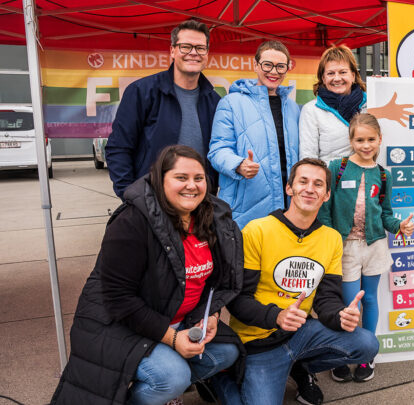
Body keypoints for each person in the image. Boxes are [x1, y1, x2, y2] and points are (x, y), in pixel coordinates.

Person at [51, 145, 244, 405]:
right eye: (181, 178)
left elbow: (215, 281)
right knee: (172, 377)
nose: (192, 186)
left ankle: (155, 394)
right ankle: (151, 393)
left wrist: (210, 313)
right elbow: (119, 300)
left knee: (227, 352)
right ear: (159, 179)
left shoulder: (212, 217)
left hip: (179, 319)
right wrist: (173, 339)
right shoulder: (132, 221)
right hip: (120, 326)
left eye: (199, 178)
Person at [211, 158, 379, 405]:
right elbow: (237, 301)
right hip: (258, 342)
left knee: (366, 344)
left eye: (318, 184)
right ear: (289, 188)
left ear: (326, 195)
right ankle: (221, 377)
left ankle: (299, 368)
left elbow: (326, 298)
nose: (310, 188)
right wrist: (277, 316)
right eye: (303, 181)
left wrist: (340, 315)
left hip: (301, 333)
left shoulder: (331, 238)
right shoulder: (257, 231)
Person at [317, 113, 414, 383]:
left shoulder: (383, 174)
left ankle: (366, 354)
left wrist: (398, 227)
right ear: (351, 140)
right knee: (349, 305)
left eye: (371, 139)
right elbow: (325, 209)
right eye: (360, 139)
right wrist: (331, 240)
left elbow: (385, 213)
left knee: (370, 299)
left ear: (380, 139)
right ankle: (341, 354)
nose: (366, 145)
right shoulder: (337, 168)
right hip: (345, 247)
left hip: (374, 246)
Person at [106, 19, 221, 199]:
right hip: (152, 202)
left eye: (200, 48)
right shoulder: (141, 92)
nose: (193, 53)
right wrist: (130, 195)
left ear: (207, 53)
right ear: (172, 51)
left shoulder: (214, 101)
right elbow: (119, 148)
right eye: (185, 47)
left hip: (199, 202)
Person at [209, 40, 300, 230]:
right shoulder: (231, 103)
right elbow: (217, 150)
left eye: (280, 66)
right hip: (246, 209)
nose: (274, 72)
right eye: (267, 65)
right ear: (255, 65)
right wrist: (238, 164)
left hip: (289, 208)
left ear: (287, 69)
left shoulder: (293, 107)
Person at [299, 44, 414, 162]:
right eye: (330, 73)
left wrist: (382, 90)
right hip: (331, 178)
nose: (337, 78)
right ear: (323, 79)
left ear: (353, 76)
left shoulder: (371, 103)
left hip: (370, 178)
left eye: (343, 72)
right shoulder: (312, 110)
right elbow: (308, 157)